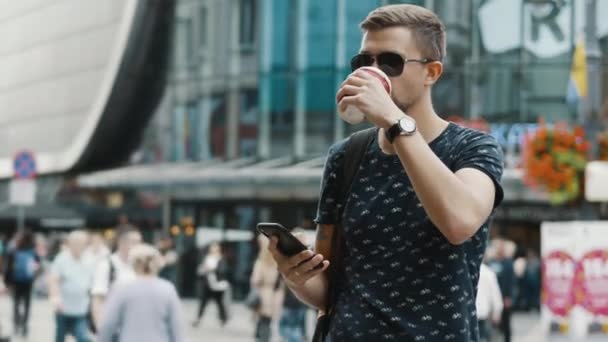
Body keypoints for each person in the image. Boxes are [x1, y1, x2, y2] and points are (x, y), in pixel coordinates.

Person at [267, 4, 504, 341]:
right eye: (364, 62)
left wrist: (395, 122)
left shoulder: (473, 148)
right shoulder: (346, 156)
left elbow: (459, 221)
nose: (373, 72)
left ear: (431, 72)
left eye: (390, 62)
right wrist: (296, 276)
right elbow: (330, 290)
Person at [97, 243, 184, 342]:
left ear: (133, 264)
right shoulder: (168, 289)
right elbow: (176, 326)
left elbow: (108, 323)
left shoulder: (122, 289)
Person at [90, 225, 142, 329]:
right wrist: (100, 328)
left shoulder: (140, 266)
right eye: (134, 242)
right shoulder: (107, 265)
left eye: (139, 242)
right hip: (114, 326)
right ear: (121, 242)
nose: (139, 246)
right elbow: (97, 299)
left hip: (137, 326)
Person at [48, 230, 95, 342]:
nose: (79, 246)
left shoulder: (90, 259)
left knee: (82, 337)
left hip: (82, 309)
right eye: (76, 242)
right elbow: (53, 280)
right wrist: (55, 298)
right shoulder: (61, 258)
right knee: (60, 337)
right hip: (63, 309)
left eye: (82, 243)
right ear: (70, 243)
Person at [4, 230, 41, 337]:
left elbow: (9, 268)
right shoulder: (32, 251)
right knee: (27, 304)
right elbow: (38, 265)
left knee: (16, 303)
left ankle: (16, 324)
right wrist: (34, 276)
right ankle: (25, 326)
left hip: (16, 281)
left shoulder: (14, 250)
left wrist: (7, 282)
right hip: (28, 282)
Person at [251, 235, 283, 342]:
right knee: (268, 323)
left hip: (264, 294)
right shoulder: (278, 261)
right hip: (275, 296)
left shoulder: (261, 261)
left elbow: (255, 280)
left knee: (262, 323)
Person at [192, 242, 229, 327]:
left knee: (219, 303)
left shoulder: (221, 258)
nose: (214, 249)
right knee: (203, 303)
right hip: (208, 284)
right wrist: (204, 269)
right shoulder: (206, 258)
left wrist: (213, 269)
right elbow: (201, 270)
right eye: (212, 247)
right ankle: (198, 319)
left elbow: (223, 270)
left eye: (215, 247)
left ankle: (223, 319)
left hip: (217, 285)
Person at [488, 239, 515, 342]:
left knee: (506, 322)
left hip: (504, 296)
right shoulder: (491, 261)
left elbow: (510, 281)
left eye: (501, 247)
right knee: (494, 322)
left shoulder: (508, 263)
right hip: (493, 296)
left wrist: (508, 297)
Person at [476, 262, 503, 342]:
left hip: (470, 313)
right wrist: (497, 311)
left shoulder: (467, 270)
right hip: (482, 312)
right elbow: (495, 293)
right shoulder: (488, 272)